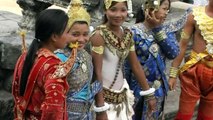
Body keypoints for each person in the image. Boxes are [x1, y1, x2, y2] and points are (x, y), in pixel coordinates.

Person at [90, 0, 157, 119]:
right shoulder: (99, 35)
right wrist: (100, 107)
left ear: (128, 12)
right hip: (103, 98)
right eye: (113, 10)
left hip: (122, 95)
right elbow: (96, 72)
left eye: (123, 10)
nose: (118, 15)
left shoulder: (127, 34)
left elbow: (135, 65)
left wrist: (149, 94)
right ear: (105, 11)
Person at [12, 9, 77, 120]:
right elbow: (53, 108)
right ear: (54, 37)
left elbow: (16, 91)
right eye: (67, 32)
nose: (69, 37)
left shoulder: (25, 56)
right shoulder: (53, 66)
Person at [125, 0, 180, 119]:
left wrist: (157, 29)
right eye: (164, 9)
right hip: (136, 89)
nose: (166, 13)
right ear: (151, 8)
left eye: (168, 10)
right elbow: (127, 66)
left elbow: (173, 53)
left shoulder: (167, 30)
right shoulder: (133, 32)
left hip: (158, 89)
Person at [55, 0, 102, 119]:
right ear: (64, 33)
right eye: (75, 34)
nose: (81, 39)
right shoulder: (59, 58)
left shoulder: (85, 54)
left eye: (85, 34)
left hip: (87, 114)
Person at [169, 0, 213, 119]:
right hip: (193, 72)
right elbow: (182, 45)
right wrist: (173, 73)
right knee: (184, 115)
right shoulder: (194, 15)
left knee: (208, 116)